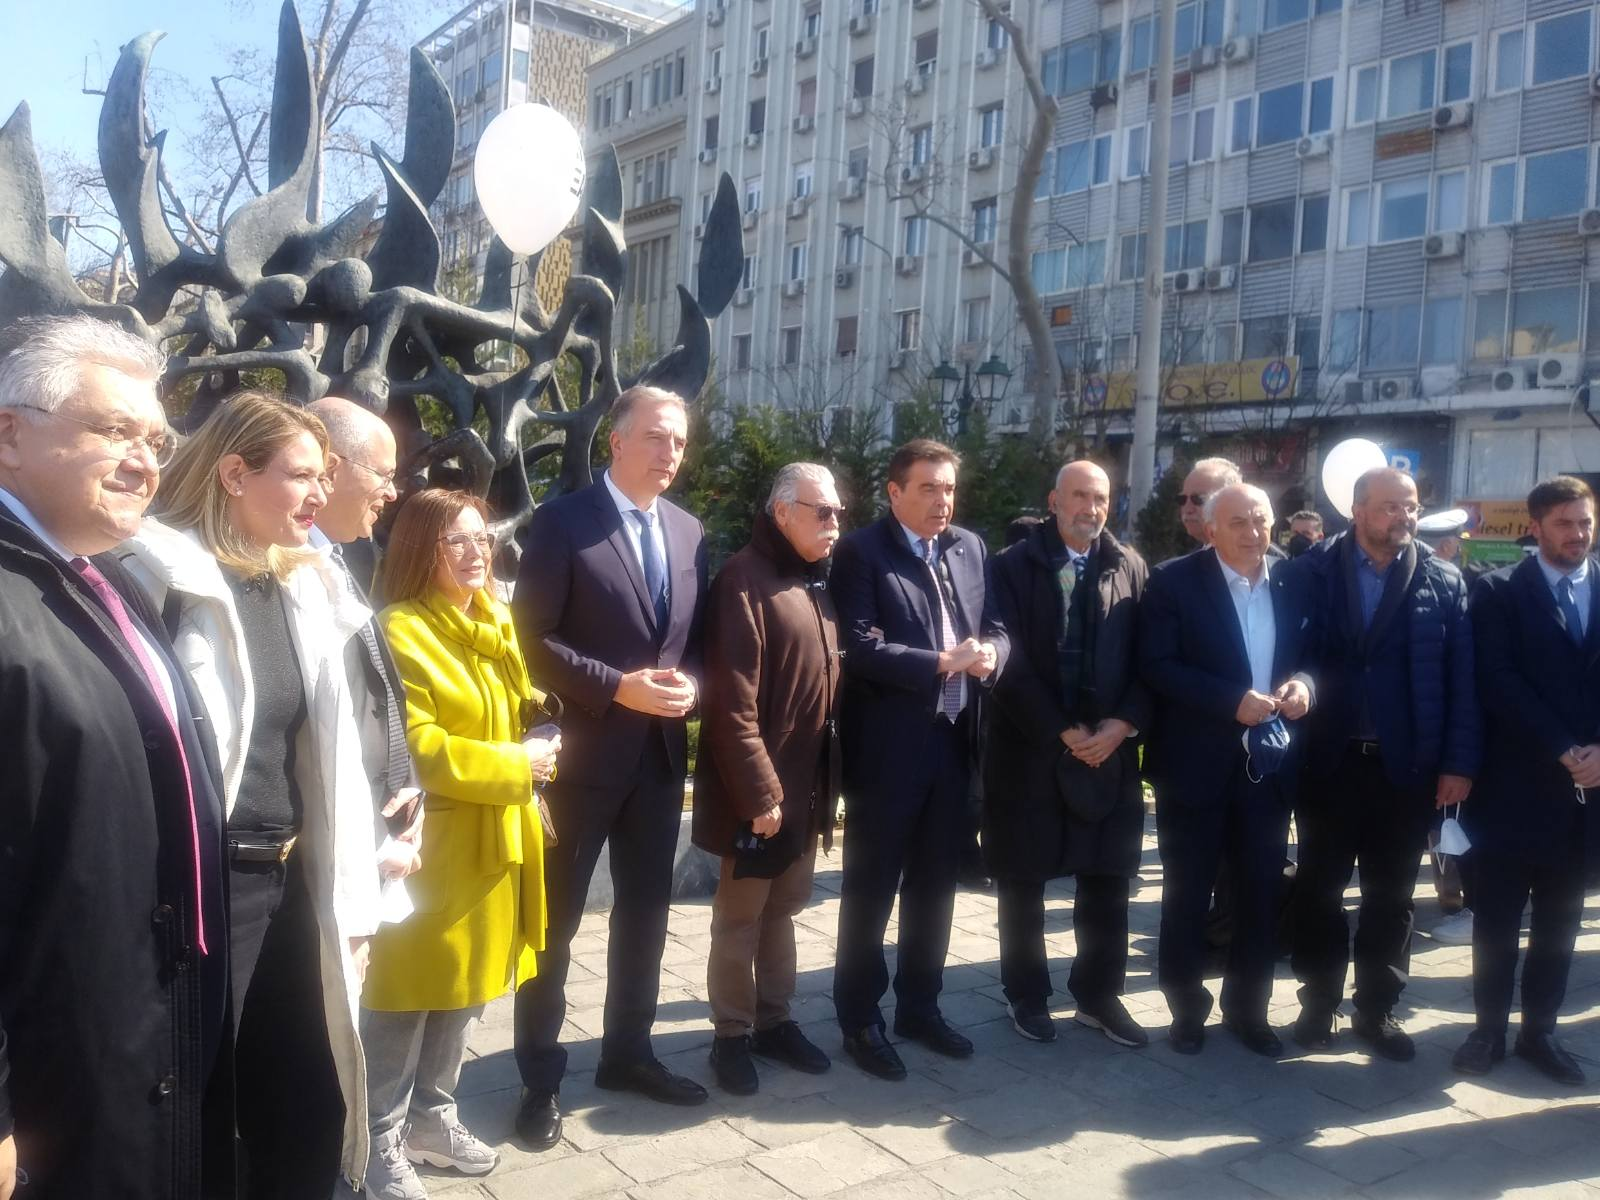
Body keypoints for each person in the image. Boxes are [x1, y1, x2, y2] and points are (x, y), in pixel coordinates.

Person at [116, 390, 382, 1198]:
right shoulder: (153, 580)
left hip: (297, 882)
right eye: (301, 475)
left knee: (310, 1101)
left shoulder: (305, 584)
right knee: (202, 1108)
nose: (320, 494)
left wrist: (355, 895)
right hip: (205, 888)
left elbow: (338, 749)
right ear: (234, 473)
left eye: (325, 476)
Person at [0, 316, 231, 1200]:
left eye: (156, 441)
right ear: (10, 435)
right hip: (51, 1076)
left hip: (140, 1030)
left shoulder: (107, 575)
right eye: (114, 430)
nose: (145, 461)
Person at [511, 385, 709, 1148]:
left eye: (680, 441)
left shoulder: (688, 530)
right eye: (657, 437)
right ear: (617, 441)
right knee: (555, 925)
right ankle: (539, 1080)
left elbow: (687, 640)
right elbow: (531, 639)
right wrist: (614, 687)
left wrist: (691, 687)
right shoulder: (565, 522)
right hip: (580, 762)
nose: (670, 453)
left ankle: (629, 1055)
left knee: (646, 918)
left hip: (658, 762)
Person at [362, 490, 556, 1198]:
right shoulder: (399, 629)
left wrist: (540, 738)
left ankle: (432, 1120)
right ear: (421, 549)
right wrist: (517, 763)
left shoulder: (492, 617)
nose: (478, 553)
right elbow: (415, 746)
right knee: (406, 996)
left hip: (496, 837)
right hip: (434, 845)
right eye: (458, 542)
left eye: (483, 539)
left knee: (465, 990)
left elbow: (513, 706)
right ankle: (375, 1139)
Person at [1286, 468, 1479, 1060]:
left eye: (1411, 506)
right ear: (1357, 510)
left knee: (1391, 897)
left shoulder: (1444, 580)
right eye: (1391, 506)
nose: (1404, 517)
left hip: (1407, 768)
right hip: (1329, 761)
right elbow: (1290, 654)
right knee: (1319, 889)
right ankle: (1318, 1003)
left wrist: (1457, 764)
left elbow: (1461, 682)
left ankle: (1377, 1010)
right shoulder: (1311, 572)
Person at [830, 439, 1008, 1080]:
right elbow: (858, 647)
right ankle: (860, 1018)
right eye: (928, 488)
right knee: (871, 889)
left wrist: (991, 654)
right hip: (889, 749)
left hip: (955, 742)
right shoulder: (863, 552)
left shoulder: (968, 547)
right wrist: (940, 662)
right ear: (895, 492)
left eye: (949, 488)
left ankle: (920, 1007)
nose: (942, 500)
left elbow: (996, 625)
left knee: (936, 884)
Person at [1139, 483, 1317, 1057]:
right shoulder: (1174, 581)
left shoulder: (1293, 579)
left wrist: (1304, 686)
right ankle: (1186, 1010)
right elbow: (1157, 664)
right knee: (1187, 894)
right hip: (1195, 765)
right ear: (1210, 528)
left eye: (1261, 519)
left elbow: (1315, 655)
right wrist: (1228, 701)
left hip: (1269, 767)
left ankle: (1249, 1011)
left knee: (1261, 893)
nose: (1253, 532)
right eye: (1238, 522)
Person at [984, 461, 1152, 1047]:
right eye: (1079, 495)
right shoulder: (1009, 567)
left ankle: (1099, 997)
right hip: (1031, 746)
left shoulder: (1129, 566)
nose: (1091, 508)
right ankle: (1027, 996)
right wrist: (1059, 729)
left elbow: (1150, 658)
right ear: (1054, 500)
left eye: (1101, 497)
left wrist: (1122, 724)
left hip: (1108, 748)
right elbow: (1005, 658)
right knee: (1023, 878)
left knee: (1108, 878)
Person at [694, 463, 843, 1095]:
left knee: (783, 911)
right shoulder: (743, 580)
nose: (834, 524)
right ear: (783, 513)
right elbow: (731, 703)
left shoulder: (812, 579)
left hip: (805, 792)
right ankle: (731, 1035)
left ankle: (775, 1022)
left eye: (838, 513)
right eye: (822, 511)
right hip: (759, 797)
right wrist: (759, 793)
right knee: (740, 919)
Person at [1453, 476, 1600, 1085]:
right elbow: (1498, 680)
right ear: (1535, 527)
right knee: (1496, 918)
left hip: (1585, 795)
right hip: (1512, 789)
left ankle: (1541, 1032)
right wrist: (1562, 746)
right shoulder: (1498, 591)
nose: (1578, 534)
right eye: (1564, 523)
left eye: (1586, 522)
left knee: (1561, 922)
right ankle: (1487, 1029)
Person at [1175, 457, 1243, 549]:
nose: (1188, 509)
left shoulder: (1257, 556)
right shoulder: (1195, 556)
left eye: (1199, 499)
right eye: (1182, 499)